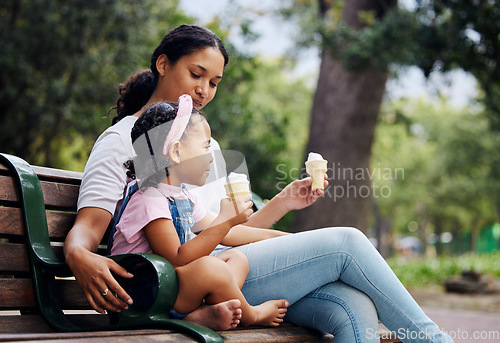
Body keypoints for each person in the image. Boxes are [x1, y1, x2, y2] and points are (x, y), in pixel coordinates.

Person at [65, 24, 453, 342]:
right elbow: (89, 228)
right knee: (348, 242)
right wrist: (78, 253)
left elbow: (226, 229)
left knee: (351, 308)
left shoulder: (204, 145)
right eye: (196, 74)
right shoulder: (122, 141)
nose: (204, 90)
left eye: (214, 82)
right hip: (193, 280)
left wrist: (283, 205)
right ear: (163, 64)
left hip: (224, 272)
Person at [110, 97, 288, 326]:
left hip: (169, 289)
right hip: (140, 298)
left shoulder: (183, 195)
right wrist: (224, 222)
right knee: (211, 267)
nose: (211, 156)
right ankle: (253, 315)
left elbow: (228, 235)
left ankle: (202, 314)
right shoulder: (148, 198)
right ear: (176, 151)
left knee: (236, 258)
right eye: (205, 146)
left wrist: (283, 238)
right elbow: (174, 259)